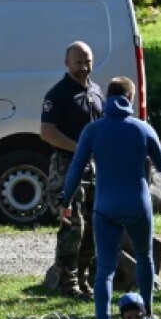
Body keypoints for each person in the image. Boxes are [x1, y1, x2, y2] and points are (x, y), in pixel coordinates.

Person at [60, 77, 161, 319]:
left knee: (105, 268)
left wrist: (66, 200)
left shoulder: (93, 130)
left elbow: (76, 168)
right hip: (138, 203)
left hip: (106, 205)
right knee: (144, 259)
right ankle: (148, 314)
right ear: (129, 98)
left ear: (107, 99)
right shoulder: (142, 128)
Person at [41, 41, 103, 296]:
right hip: (67, 167)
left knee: (93, 223)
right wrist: (78, 148)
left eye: (87, 61)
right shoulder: (58, 94)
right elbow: (47, 133)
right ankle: (67, 282)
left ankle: (85, 279)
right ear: (66, 63)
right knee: (73, 225)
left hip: (94, 168)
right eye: (78, 62)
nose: (83, 67)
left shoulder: (97, 91)